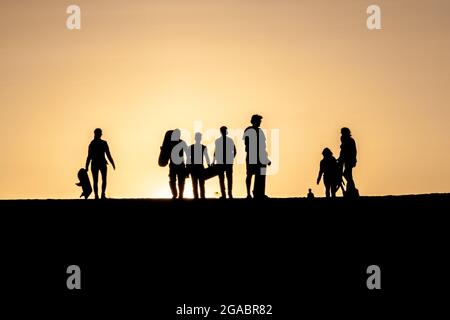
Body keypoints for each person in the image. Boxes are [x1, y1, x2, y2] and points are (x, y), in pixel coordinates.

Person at [243, 114, 271, 199]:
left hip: (260, 156)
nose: (260, 123)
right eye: (258, 121)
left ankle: (259, 193)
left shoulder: (260, 131)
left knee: (260, 175)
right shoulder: (249, 130)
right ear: (254, 121)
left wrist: (265, 158)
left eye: (260, 121)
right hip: (252, 156)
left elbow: (263, 146)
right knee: (250, 174)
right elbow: (247, 144)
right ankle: (248, 194)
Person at [85, 128, 115, 200]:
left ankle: (99, 196)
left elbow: (89, 157)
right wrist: (112, 163)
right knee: (101, 180)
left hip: (97, 163)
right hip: (100, 163)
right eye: (100, 133)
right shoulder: (100, 143)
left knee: (97, 180)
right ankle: (100, 195)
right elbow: (108, 155)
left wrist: (86, 166)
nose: (101, 134)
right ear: (97, 134)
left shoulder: (93, 144)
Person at [213, 126, 236, 199]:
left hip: (222, 162)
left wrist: (214, 161)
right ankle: (229, 194)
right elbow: (235, 151)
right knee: (228, 178)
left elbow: (215, 152)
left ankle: (225, 194)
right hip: (226, 163)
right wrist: (231, 159)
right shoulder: (229, 140)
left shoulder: (218, 141)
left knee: (222, 179)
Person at [188, 133, 211, 199]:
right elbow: (207, 158)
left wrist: (188, 168)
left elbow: (188, 159)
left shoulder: (191, 147)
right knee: (201, 184)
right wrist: (209, 166)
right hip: (200, 168)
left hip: (194, 168)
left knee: (195, 184)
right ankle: (202, 197)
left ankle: (196, 197)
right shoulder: (203, 147)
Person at [168, 129, 188, 199]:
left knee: (179, 180)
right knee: (175, 180)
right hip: (175, 165)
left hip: (178, 165)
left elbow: (187, 154)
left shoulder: (171, 143)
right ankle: (176, 194)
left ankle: (178, 195)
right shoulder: (173, 143)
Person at [338, 127, 357, 196]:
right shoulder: (343, 138)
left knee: (347, 174)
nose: (342, 134)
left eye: (343, 132)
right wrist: (340, 158)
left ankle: (351, 188)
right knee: (346, 174)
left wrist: (354, 159)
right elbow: (342, 150)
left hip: (349, 159)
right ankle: (351, 189)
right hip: (344, 159)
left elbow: (354, 151)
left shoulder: (351, 140)